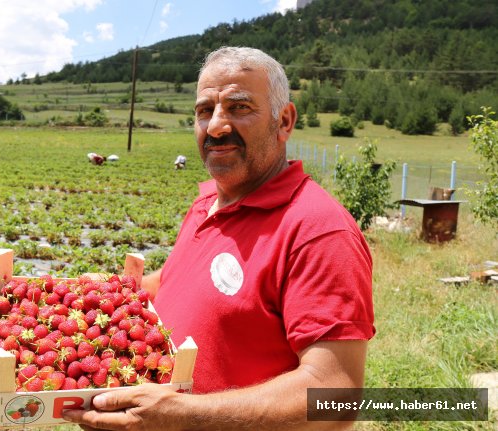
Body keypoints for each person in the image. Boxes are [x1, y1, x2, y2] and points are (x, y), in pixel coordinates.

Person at [64, 46, 375, 430]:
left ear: (284, 120)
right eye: (204, 110)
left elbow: (336, 393)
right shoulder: (209, 200)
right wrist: (112, 293)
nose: (216, 126)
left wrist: (182, 415)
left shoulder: (318, 230)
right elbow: (176, 283)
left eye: (239, 107)